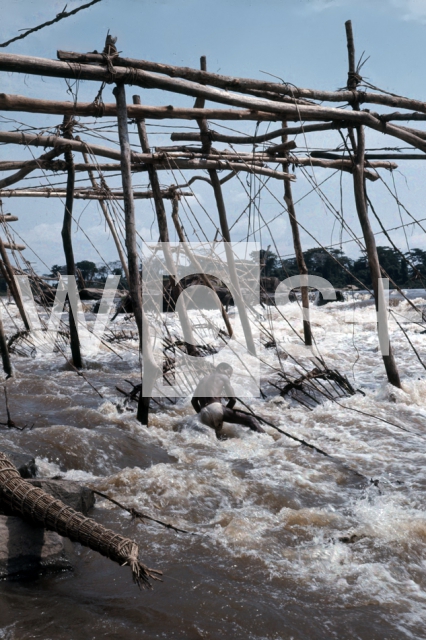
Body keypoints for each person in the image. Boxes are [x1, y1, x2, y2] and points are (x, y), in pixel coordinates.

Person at [191, 362, 265, 439]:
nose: (229, 376)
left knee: (218, 438)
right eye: (228, 373)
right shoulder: (223, 377)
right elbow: (233, 399)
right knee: (250, 420)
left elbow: (193, 401)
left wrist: (202, 414)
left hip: (203, 414)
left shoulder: (203, 380)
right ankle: (268, 442)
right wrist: (224, 412)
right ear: (221, 368)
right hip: (216, 408)